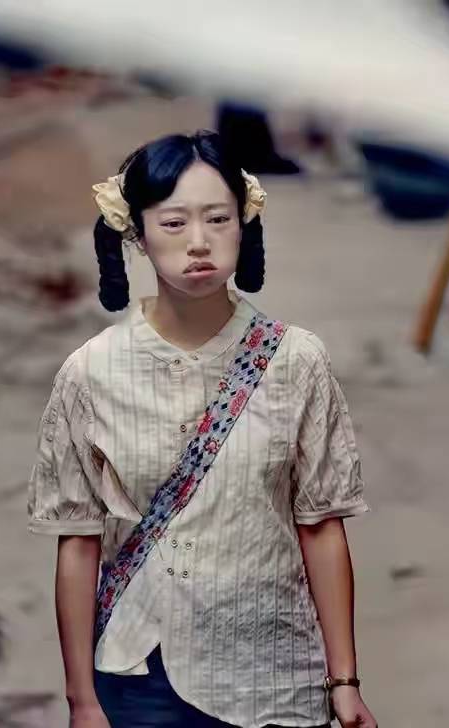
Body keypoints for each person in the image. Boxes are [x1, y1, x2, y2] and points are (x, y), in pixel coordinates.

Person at [27, 131, 378, 728]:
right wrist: (82, 700)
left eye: (218, 219)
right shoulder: (91, 373)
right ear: (137, 234)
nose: (198, 242)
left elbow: (321, 526)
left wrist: (344, 682)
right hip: (143, 676)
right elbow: (79, 542)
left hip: (277, 677)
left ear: (243, 223)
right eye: (173, 223)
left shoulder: (296, 361)